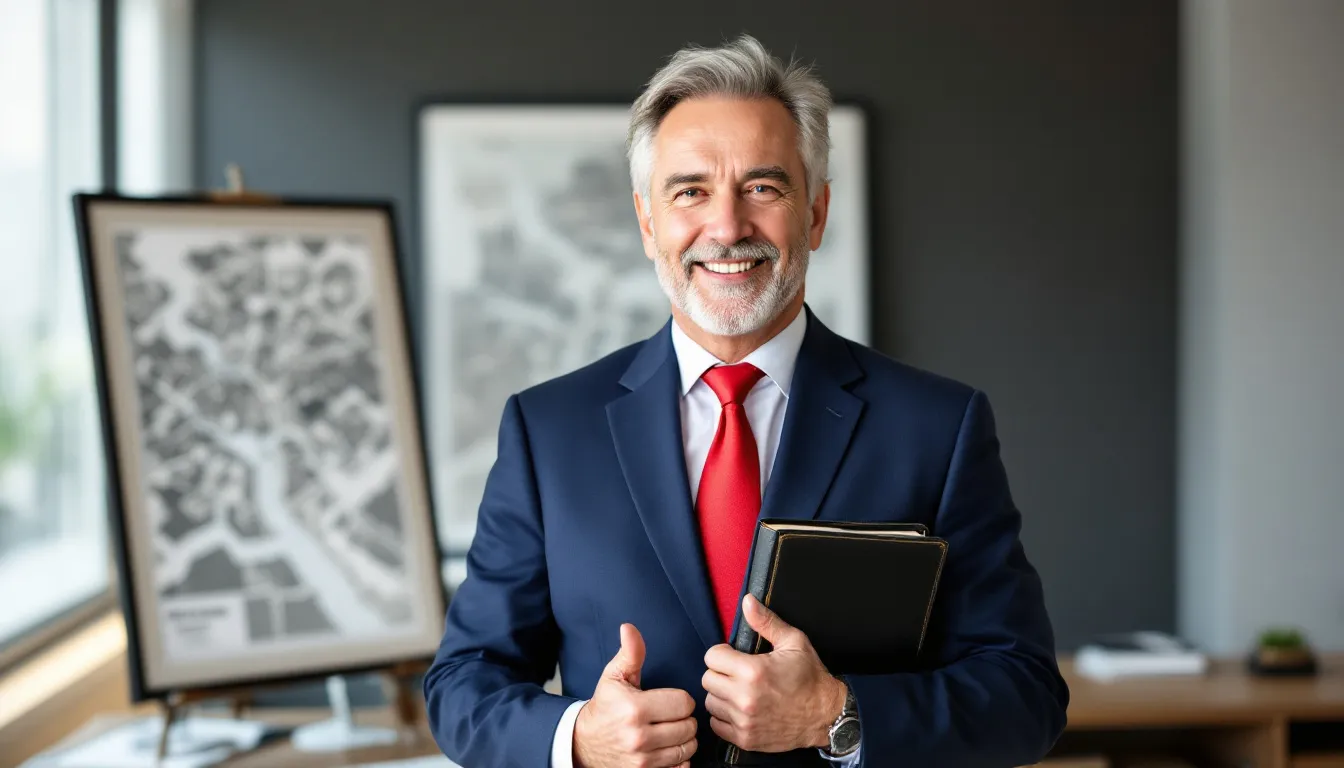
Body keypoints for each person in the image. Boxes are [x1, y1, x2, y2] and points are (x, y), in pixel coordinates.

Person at [423, 34, 1068, 768]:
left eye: (763, 187)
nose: (727, 227)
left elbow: (1026, 695)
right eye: (691, 191)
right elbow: (460, 685)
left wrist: (838, 713)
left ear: (816, 213)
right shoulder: (548, 433)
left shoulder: (937, 428)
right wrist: (578, 738)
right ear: (647, 222)